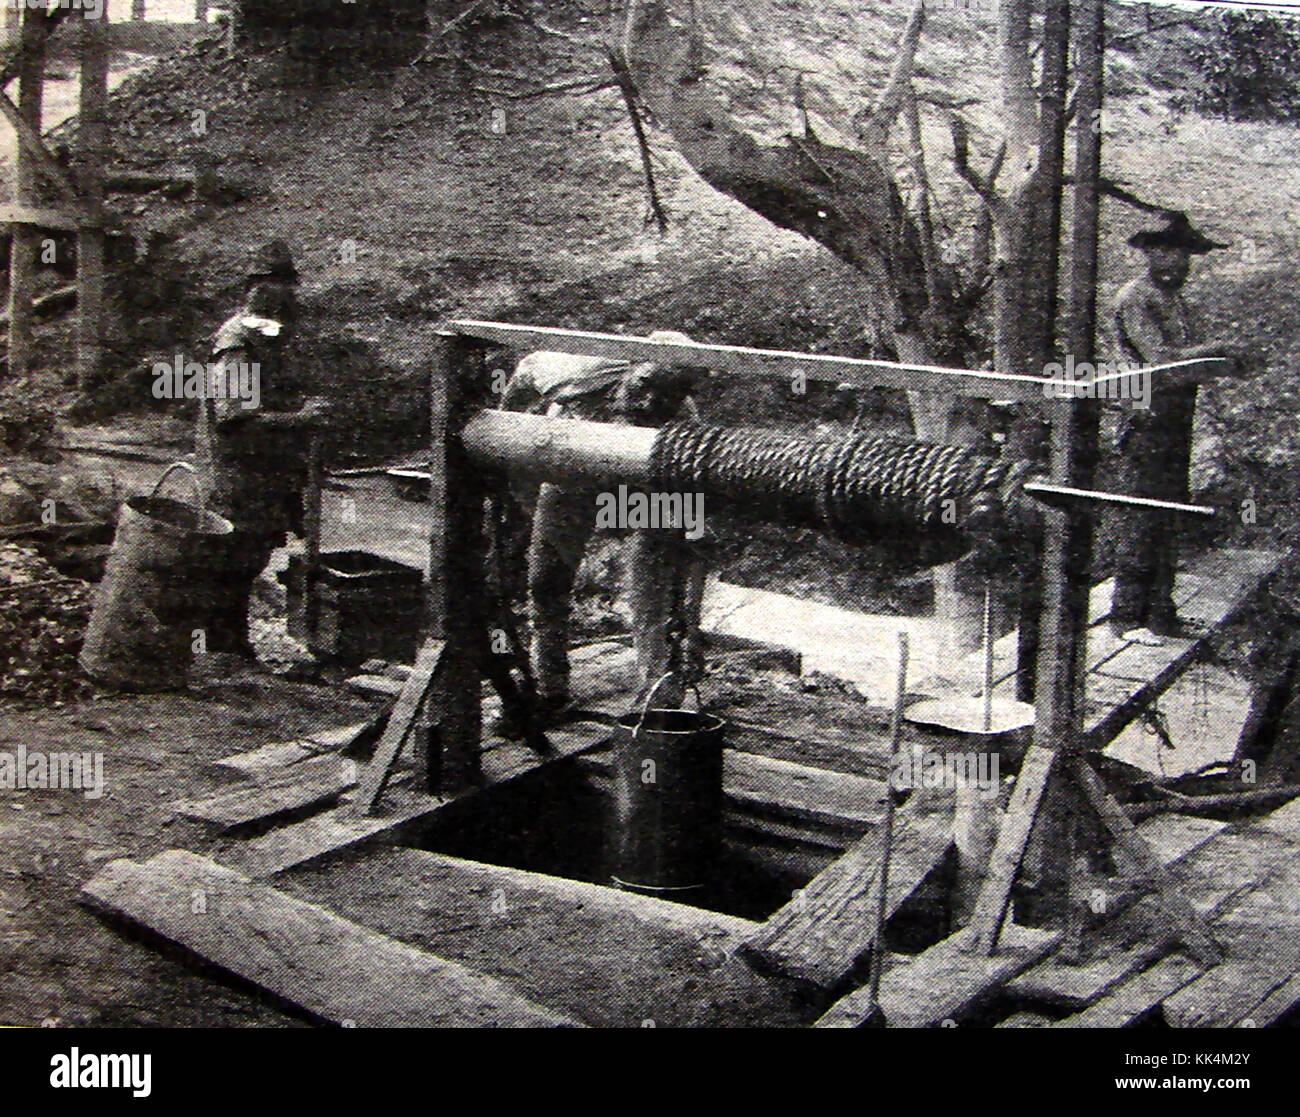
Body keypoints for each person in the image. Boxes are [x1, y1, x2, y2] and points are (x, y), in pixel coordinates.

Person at [496, 331, 711, 731]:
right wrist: (500, 439)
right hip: (571, 473)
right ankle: (550, 689)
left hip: (636, 486)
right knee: (546, 584)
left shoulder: (684, 426)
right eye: (644, 385)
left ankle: (658, 699)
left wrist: (691, 623)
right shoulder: (580, 373)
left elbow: (691, 538)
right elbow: (526, 370)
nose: (650, 403)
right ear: (629, 365)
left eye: (667, 395)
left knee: (652, 591)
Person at [1107, 212, 1249, 645]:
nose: (1178, 262)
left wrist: (1224, 365)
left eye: (1184, 254)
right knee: (1143, 512)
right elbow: (1163, 358)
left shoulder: (1175, 300)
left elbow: (1187, 364)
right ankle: (1126, 618)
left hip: (1175, 414)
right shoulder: (1136, 298)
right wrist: (1217, 350)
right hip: (1144, 412)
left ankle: (1160, 614)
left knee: (1171, 510)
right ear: (1149, 253)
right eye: (1167, 251)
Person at [194, 241, 331, 657]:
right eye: (279, 286)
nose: (289, 296)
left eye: (291, 285)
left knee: (250, 558)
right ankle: (223, 651)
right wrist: (302, 419)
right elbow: (234, 417)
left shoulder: (268, 340)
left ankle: (230, 648)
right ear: (257, 290)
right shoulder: (238, 344)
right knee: (232, 562)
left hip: (263, 474)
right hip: (237, 475)